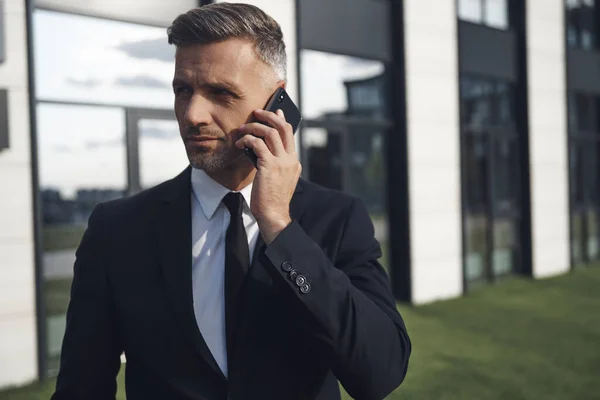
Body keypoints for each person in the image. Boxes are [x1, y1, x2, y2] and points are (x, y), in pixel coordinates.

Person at [51, 3, 411, 400]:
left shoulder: (337, 218)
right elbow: (79, 389)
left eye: (220, 93)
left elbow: (380, 372)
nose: (192, 115)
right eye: (183, 90)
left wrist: (279, 225)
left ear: (277, 103)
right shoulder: (116, 230)